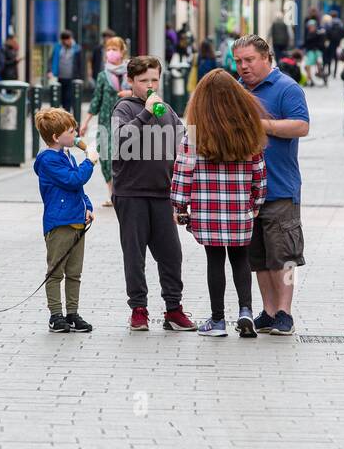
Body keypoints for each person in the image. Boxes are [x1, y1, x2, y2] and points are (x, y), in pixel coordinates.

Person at [171, 70, 268, 338]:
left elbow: (183, 170)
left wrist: (179, 206)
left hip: (206, 209)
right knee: (241, 260)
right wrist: (256, 201)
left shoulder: (195, 134)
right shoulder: (249, 132)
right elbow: (259, 172)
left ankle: (217, 320)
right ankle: (245, 311)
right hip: (239, 209)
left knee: (214, 261)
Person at [111, 55, 196, 332]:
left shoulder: (166, 109)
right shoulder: (123, 108)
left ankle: (173, 309)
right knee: (134, 255)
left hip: (163, 193)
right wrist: (145, 112)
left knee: (171, 254)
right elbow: (122, 140)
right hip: (131, 193)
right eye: (144, 80)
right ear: (131, 81)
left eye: (154, 80)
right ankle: (138, 309)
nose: (150, 86)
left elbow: (184, 143)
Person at [233, 34, 310, 336]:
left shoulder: (287, 88)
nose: (243, 67)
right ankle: (267, 312)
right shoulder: (237, 91)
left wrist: (262, 125)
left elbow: (301, 126)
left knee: (284, 257)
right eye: (238, 61)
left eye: (249, 60)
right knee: (259, 258)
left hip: (280, 188)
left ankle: (285, 313)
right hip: (245, 190)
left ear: (266, 57)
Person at [33, 108, 96, 334]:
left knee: (74, 272)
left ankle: (72, 312)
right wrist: (90, 160)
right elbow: (73, 179)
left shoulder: (66, 155)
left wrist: (87, 206)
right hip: (60, 223)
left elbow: (77, 188)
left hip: (76, 220)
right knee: (55, 272)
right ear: (56, 137)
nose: (76, 133)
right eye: (71, 131)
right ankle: (56, 315)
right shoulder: (49, 159)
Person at [81, 35, 130, 204]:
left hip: (126, 121)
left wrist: (129, 93)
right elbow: (96, 100)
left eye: (114, 49)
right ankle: (112, 192)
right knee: (105, 155)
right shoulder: (103, 76)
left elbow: (142, 93)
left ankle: (121, 191)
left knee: (123, 155)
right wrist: (85, 123)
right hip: (105, 121)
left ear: (122, 52)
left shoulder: (130, 74)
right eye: (108, 49)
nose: (110, 52)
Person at [48, 30, 84, 114]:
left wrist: (81, 77)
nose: (66, 42)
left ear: (71, 39)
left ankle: (66, 116)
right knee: (59, 99)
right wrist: (49, 71)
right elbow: (51, 60)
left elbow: (81, 64)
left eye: (67, 40)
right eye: (64, 40)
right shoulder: (57, 47)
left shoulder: (77, 49)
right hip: (59, 77)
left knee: (68, 99)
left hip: (72, 78)